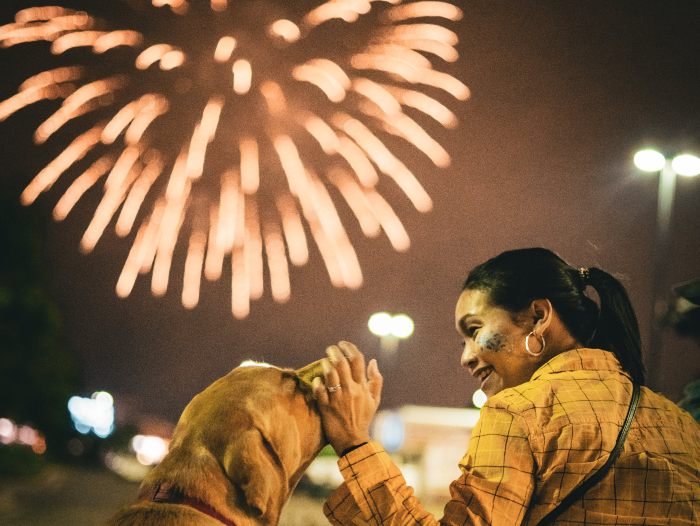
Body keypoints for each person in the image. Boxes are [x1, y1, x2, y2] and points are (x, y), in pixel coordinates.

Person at [312, 248, 700, 525]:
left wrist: (353, 443)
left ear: (538, 317)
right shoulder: (679, 422)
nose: (466, 357)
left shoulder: (519, 412)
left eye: (474, 330)